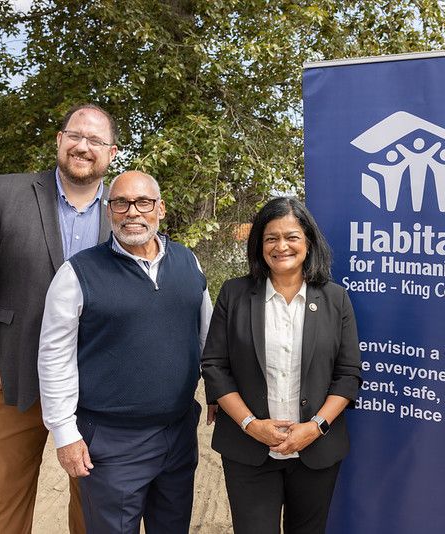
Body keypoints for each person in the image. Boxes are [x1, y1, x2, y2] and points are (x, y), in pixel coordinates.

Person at [0, 103, 118, 533]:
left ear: (111, 153)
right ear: (60, 140)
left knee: (96, 502)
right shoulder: (5, 194)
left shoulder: (125, 210)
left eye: (96, 140)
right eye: (76, 135)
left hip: (94, 386)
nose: (84, 146)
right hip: (14, 376)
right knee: (4, 496)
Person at [36, 170, 212, 532]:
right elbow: (54, 357)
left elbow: (207, 335)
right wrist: (64, 432)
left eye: (143, 202)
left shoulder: (188, 262)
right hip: (112, 443)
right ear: (108, 211)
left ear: (160, 209)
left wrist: (218, 391)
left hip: (178, 434)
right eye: (121, 203)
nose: (133, 212)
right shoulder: (77, 273)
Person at [201, 197, 361, 534]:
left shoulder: (335, 298)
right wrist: (250, 424)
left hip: (315, 451)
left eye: (292, 237)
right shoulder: (234, 294)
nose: (281, 246)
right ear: (259, 244)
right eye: (271, 238)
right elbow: (215, 366)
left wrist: (314, 427)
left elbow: (348, 375)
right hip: (248, 450)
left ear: (308, 242)